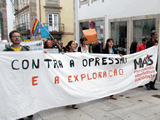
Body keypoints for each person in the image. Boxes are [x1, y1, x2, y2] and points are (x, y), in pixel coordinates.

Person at [3, 30, 33, 120]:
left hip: (25, 78)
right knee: (16, 97)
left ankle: (29, 111)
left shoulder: (26, 50)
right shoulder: (6, 52)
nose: (17, 38)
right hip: (13, 79)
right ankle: (20, 114)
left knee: (27, 95)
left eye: (18, 36)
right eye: (14, 36)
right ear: (11, 39)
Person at [65, 40, 78, 109]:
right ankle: (68, 101)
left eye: (75, 44)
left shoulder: (77, 53)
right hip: (66, 73)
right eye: (73, 44)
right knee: (67, 87)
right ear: (69, 46)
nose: (75, 45)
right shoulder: (65, 53)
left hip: (74, 73)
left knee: (74, 87)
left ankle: (74, 102)